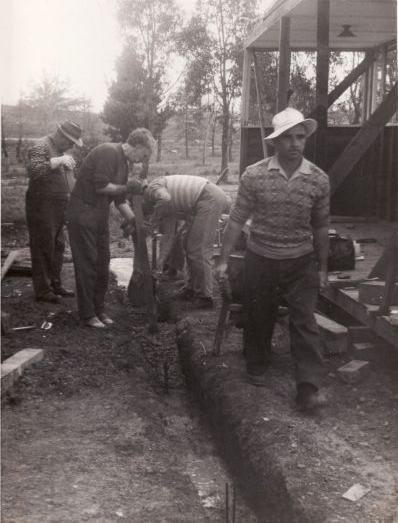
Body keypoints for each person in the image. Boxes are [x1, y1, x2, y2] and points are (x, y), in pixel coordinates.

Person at [215, 107, 330, 412]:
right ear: (275, 142)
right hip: (261, 258)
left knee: (304, 321)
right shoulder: (254, 175)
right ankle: (257, 363)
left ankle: (308, 387)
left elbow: (320, 226)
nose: (296, 143)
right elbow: (238, 218)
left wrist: (323, 268)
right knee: (259, 314)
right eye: (288, 137)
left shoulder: (319, 180)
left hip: (301, 260)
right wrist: (223, 260)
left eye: (300, 137)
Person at [66, 128, 155, 328]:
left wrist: (136, 221)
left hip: (98, 215)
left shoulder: (124, 163)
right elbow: (101, 187)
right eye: (144, 155)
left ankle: (98, 310)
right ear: (138, 146)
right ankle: (87, 314)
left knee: (102, 263)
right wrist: (128, 187)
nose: (142, 160)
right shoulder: (109, 151)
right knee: (87, 263)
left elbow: (119, 200)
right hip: (83, 213)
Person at [143, 174, 229, 309]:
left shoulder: (154, 189)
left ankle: (205, 296)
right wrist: (160, 263)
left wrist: (153, 221)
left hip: (208, 197)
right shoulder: (163, 204)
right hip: (203, 200)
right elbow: (169, 236)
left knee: (198, 250)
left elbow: (165, 199)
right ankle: (191, 288)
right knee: (187, 245)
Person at [26, 121, 83, 304]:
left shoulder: (60, 150)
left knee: (58, 245)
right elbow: (34, 171)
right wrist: (57, 161)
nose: (72, 145)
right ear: (61, 135)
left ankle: (55, 283)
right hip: (42, 204)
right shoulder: (41, 145)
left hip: (59, 205)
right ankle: (43, 290)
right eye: (70, 141)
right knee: (43, 245)